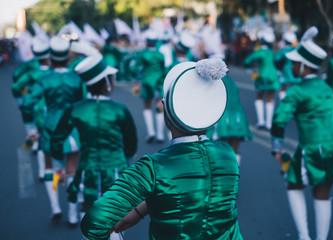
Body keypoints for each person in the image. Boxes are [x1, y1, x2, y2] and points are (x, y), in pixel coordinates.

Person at [81, 58, 243, 240]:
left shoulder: (152, 168)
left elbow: (94, 221)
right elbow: (196, 193)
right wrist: (141, 210)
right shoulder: (228, 155)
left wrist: (138, 212)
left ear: (167, 114)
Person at [270, 26, 333, 240]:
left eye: (295, 62)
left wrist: (276, 148)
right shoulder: (326, 88)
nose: (291, 65)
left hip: (313, 148)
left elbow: (279, 119)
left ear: (304, 66)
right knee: (322, 193)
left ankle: (304, 236)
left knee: (292, 183)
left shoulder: (297, 90)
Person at [50, 54, 137, 237]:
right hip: (116, 170)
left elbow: (57, 139)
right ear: (106, 82)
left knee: (88, 209)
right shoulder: (120, 109)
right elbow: (131, 143)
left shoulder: (76, 108)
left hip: (87, 169)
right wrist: (125, 161)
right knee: (115, 215)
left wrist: (58, 167)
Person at [20, 36, 84, 224]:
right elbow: (81, 102)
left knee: (51, 168)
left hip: (50, 128)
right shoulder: (75, 78)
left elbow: (27, 104)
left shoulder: (45, 79)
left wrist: (31, 127)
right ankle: (73, 215)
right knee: (72, 169)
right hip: (72, 127)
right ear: (67, 56)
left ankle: (55, 207)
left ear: (50, 56)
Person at [12, 37, 52, 181]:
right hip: (51, 109)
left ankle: (41, 166)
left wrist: (21, 102)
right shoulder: (55, 72)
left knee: (36, 134)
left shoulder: (30, 69)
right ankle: (48, 170)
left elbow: (16, 83)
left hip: (33, 106)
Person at [207, 74, 253, 167]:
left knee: (218, 150)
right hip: (238, 117)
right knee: (234, 150)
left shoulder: (211, 81)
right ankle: (234, 178)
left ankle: (220, 177)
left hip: (221, 117)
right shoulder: (230, 80)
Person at [244, 28, 280, 130]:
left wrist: (249, 70)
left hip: (262, 77)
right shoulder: (273, 52)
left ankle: (261, 121)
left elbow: (247, 60)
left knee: (259, 97)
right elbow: (278, 61)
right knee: (270, 98)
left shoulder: (259, 52)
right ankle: (269, 123)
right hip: (273, 77)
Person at [135, 29, 166, 143]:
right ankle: (160, 135)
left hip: (146, 82)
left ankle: (151, 132)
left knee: (147, 106)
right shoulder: (160, 55)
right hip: (158, 82)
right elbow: (163, 68)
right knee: (159, 106)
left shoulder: (142, 54)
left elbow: (135, 68)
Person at [274, 30, 301, 100]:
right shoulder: (297, 50)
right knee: (294, 89)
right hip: (296, 72)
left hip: (285, 72)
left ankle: (284, 101)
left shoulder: (282, 51)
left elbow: (276, 60)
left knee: (283, 89)